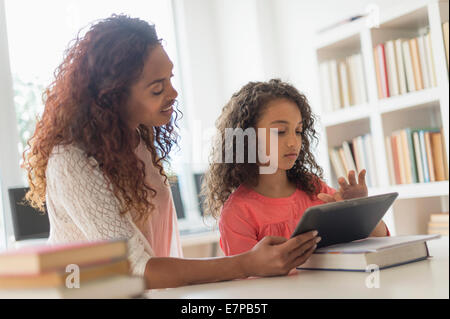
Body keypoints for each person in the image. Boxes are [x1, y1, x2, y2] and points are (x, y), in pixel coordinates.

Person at [22, 15, 320, 289]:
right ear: (113, 95)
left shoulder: (136, 140)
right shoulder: (70, 161)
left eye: (170, 79)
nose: (173, 93)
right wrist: (247, 263)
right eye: (157, 88)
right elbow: (136, 268)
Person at [201, 79, 390, 256]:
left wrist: (359, 210)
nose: (293, 142)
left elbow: (380, 241)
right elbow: (247, 280)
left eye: (298, 131)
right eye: (280, 132)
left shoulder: (315, 189)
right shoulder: (238, 213)